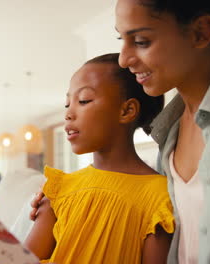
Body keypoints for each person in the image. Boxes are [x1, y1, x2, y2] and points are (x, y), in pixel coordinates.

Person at [28, 1, 210, 263]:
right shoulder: (170, 132)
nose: (124, 58)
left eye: (141, 41)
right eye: (121, 39)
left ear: (200, 32)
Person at [25, 53, 173, 264]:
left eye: (83, 100)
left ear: (127, 110)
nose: (68, 114)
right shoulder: (58, 190)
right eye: (68, 104)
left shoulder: (159, 198)